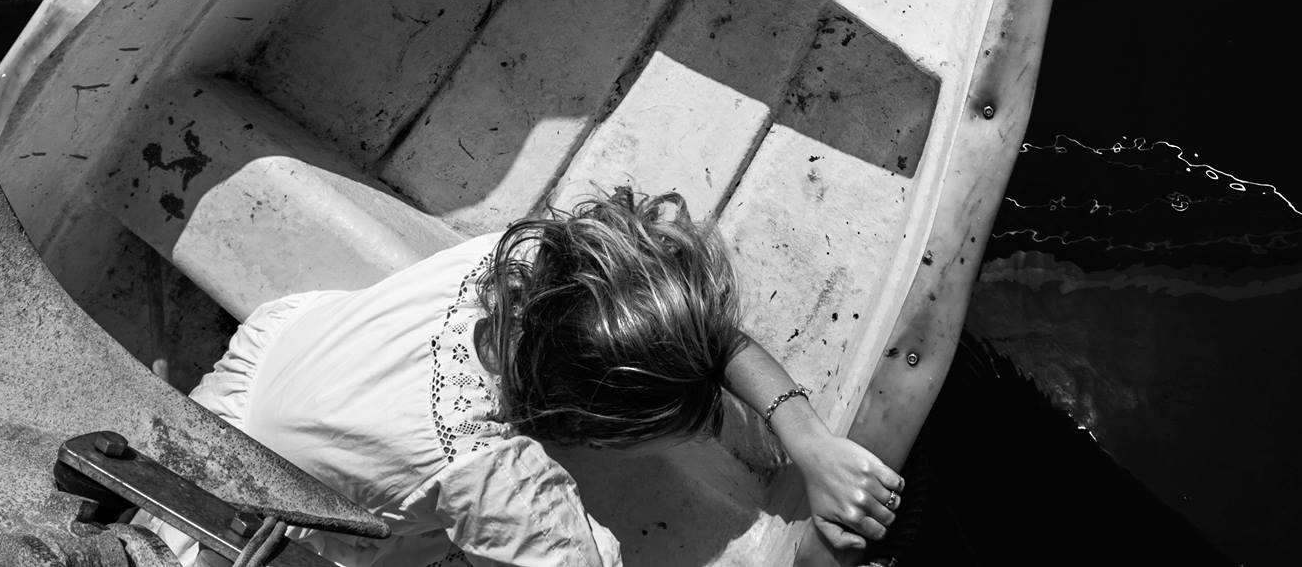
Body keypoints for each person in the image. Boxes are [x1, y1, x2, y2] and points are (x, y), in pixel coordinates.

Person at [152, 187, 904, 566]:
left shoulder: (538, 266)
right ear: (584, 433)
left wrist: (810, 441)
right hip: (256, 521)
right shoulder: (497, 480)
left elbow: (703, 333)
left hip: (282, 366)